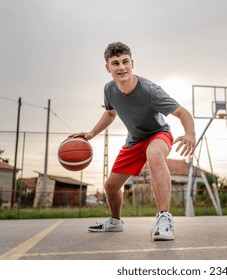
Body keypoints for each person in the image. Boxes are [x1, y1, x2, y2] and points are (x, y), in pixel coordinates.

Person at [70, 42, 196, 241]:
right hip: (134, 141)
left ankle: (164, 218)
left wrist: (190, 134)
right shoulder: (109, 89)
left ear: (132, 63)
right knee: (110, 186)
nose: (121, 67)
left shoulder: (149, 90)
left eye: (125, 62)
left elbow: (182, 112)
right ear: (108, 67)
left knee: (154, 154)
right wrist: (91, 134)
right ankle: (115, 221)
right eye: (115, 63)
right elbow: (110, 113)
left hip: (158, 135)